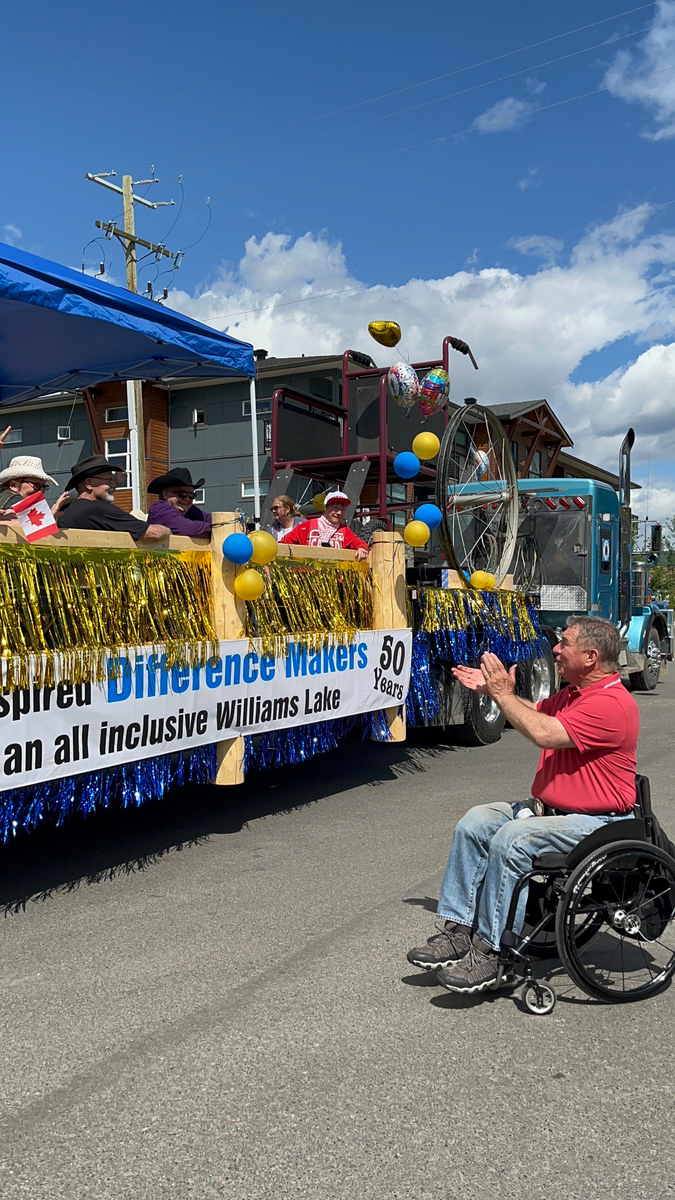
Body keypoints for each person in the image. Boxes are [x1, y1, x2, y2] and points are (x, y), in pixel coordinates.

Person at [407, 616, 640, 995]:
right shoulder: (574, 693)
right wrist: (497, 694)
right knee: (475, 821)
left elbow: (542, 732)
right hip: (552, 811)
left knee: (513, 839)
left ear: (591, 657)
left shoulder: (612, 703)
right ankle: (459, 929)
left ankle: (494, 953)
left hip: (596, 823)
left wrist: (503, 696)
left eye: (564, 644)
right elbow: (536, 713)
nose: (556, 650)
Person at [56, 454, 170, 541]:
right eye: (110, 480)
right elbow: (154, 533)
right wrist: (168, 530)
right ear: (89, 484)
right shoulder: (98, 509)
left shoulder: (65, 511)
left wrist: (111, 485)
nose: (113, 485)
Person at [280, 489, 370, 561]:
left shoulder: (345, 531)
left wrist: (362, 549)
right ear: (325, 507)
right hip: (308, 580)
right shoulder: (306, 526)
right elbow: (283, 543)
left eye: (343, 509)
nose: (339, 512)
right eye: (335, 508)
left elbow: (360, 543)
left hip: (335, 581)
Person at [146, 468, 212, 537]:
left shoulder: (191, 511)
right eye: (182, 494)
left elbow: (212, 519)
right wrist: (217, 528)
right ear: (165, 494)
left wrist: (221, 524)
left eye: (191, 495)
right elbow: (188, 528)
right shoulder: (160, 509)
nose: (187, 499)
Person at [0, 455, 70, 519]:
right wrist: (49, 517)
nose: (41, 491)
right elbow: (34, 526)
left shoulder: (4, 495)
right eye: (36, 485)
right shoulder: (15, 500)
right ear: (13, 485)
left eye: (43, 486)